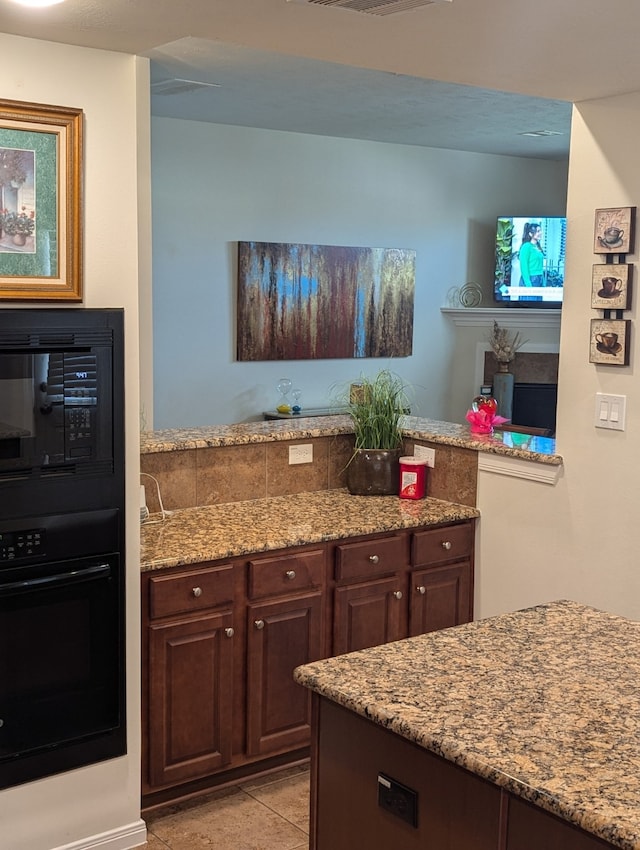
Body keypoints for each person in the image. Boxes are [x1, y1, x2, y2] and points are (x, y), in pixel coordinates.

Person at [518, 222, 544, 301]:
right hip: (531, 279)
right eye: (538, 231)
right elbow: (523, 266)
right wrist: (528, 285)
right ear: (530, 234)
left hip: (539, 279)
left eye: (540, 231)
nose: (540, 233)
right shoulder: (526, 247)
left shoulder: (537, 246)